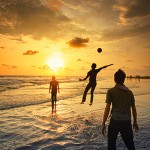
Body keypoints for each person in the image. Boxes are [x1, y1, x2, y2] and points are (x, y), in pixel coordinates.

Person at [101, 69, 139, 150]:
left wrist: (103, 123)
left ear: (114, 79)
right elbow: (134, 108)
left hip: (115, 121)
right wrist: (135, 121)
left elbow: (107, 108)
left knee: (111, 145)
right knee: (130, 145)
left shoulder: (111, 91)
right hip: (127, 122)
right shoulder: (130, 92)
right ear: (124, 79)